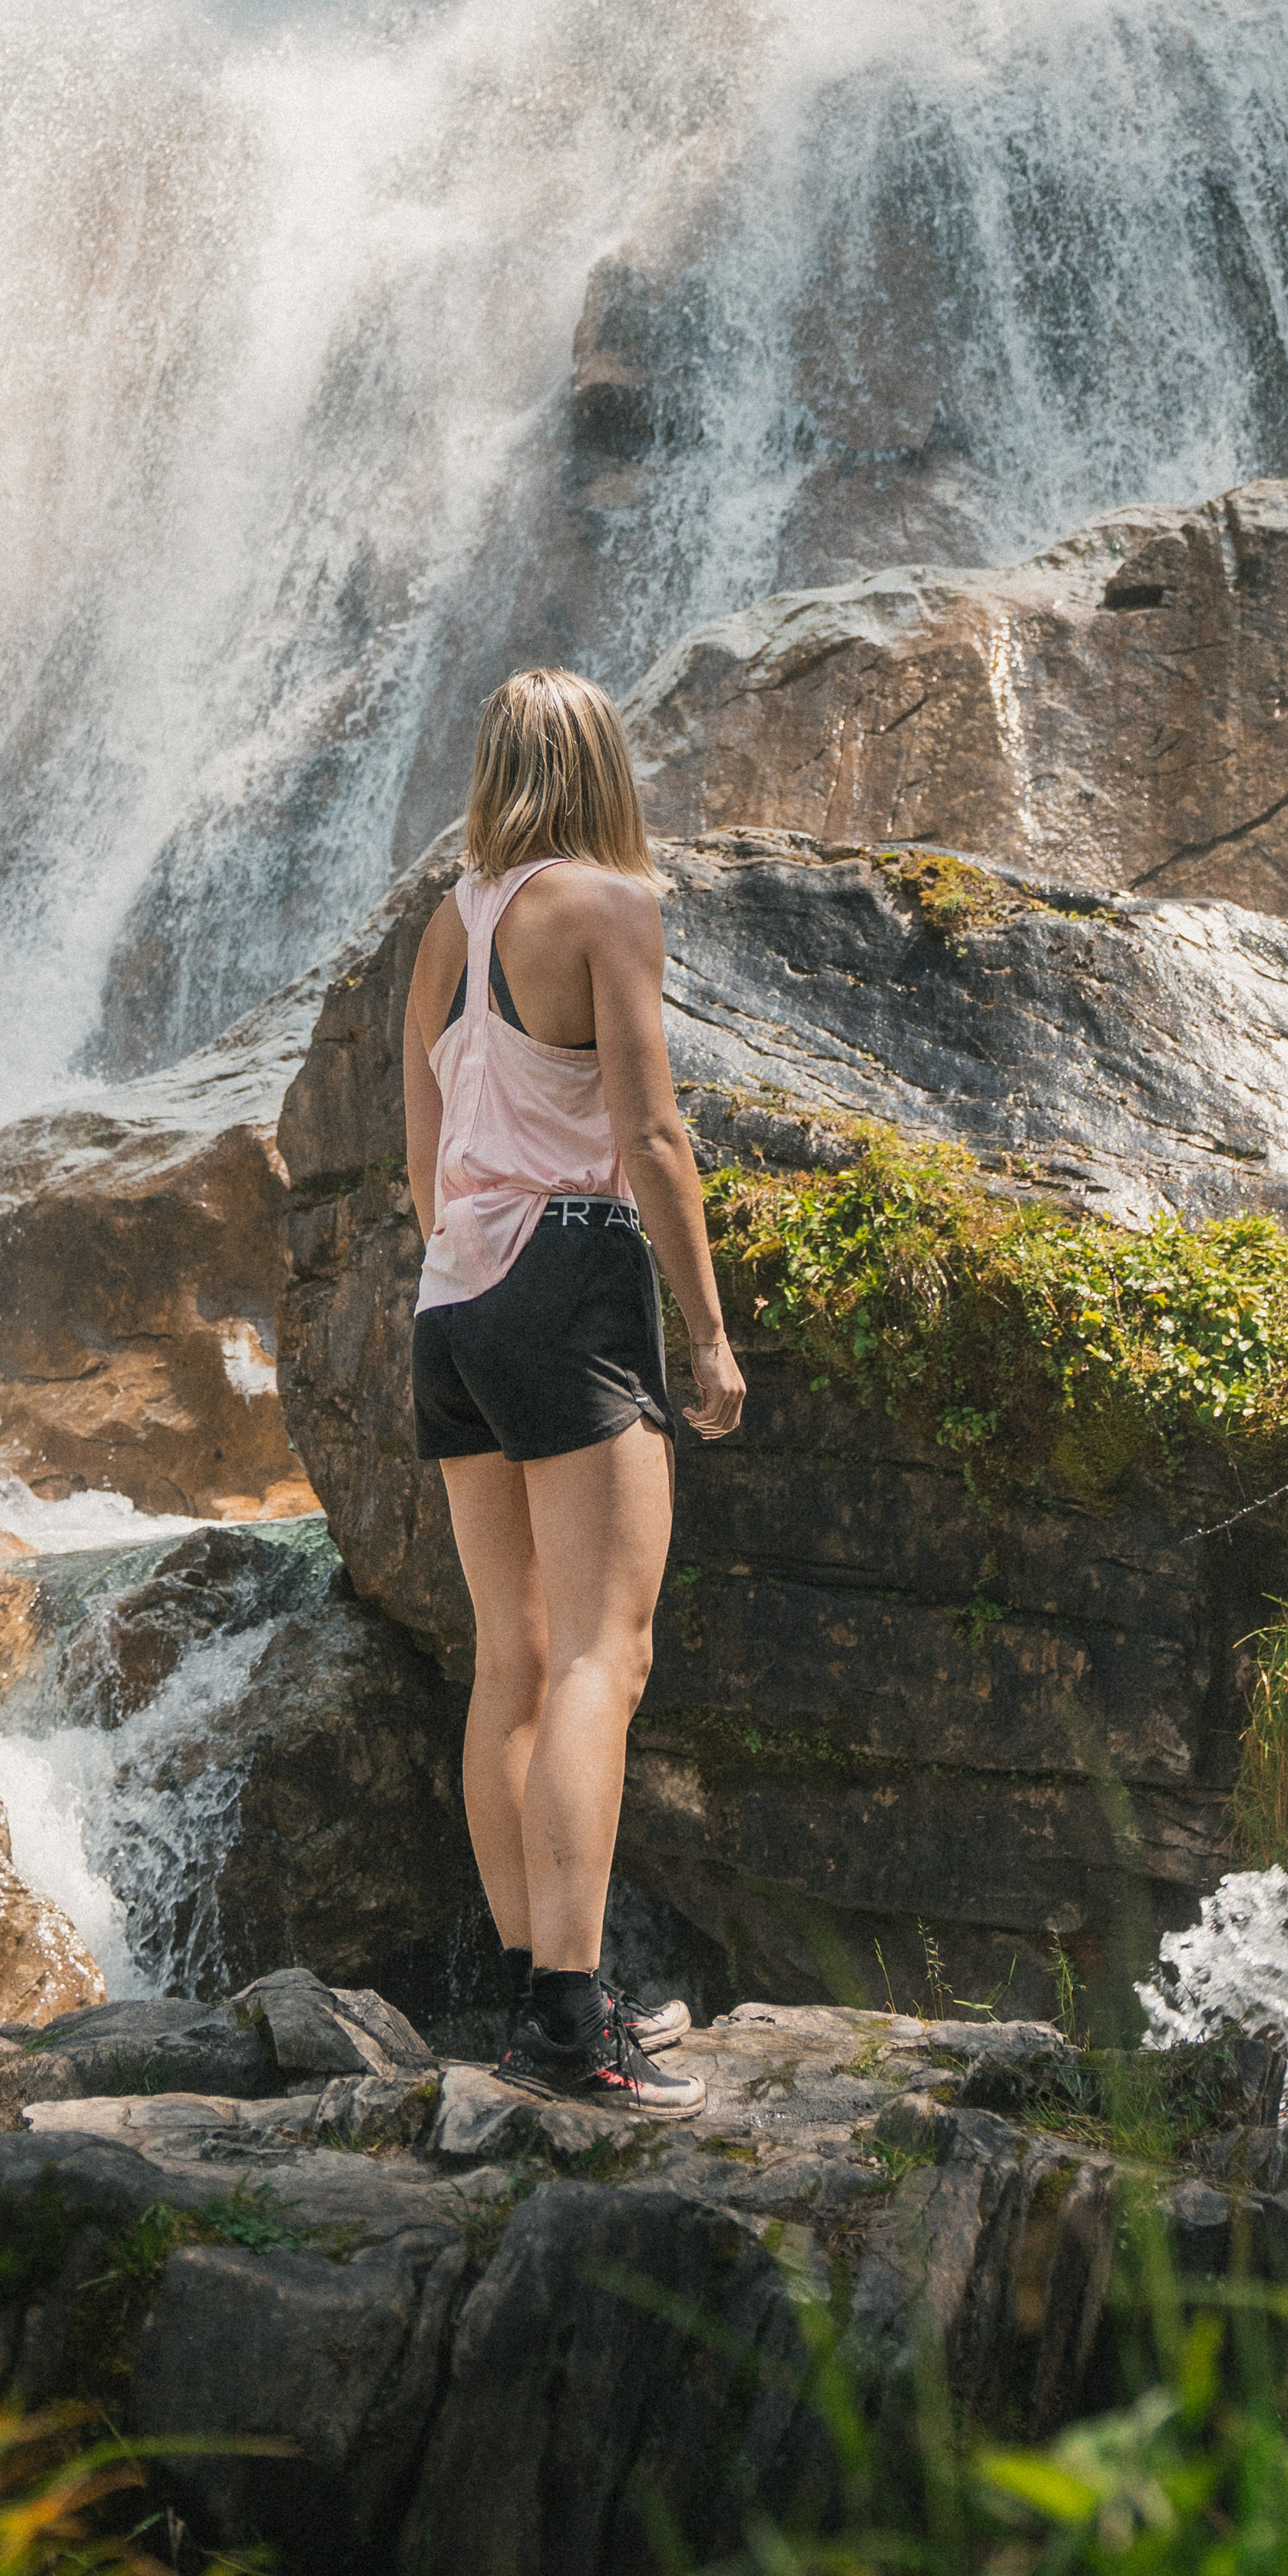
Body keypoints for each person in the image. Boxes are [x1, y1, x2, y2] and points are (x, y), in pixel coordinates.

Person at [403, 663, 747, 2102]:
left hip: (453, 1301)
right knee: (610, 1655)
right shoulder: (611, 907)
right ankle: (569, 2016)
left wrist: (470, 1266)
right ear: (604, 767)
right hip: (568, 1276)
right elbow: (653, 1137)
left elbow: (422, 1142)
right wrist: (709, 1332)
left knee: (517, 1659)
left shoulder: (450, 924)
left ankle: (543, 1993)